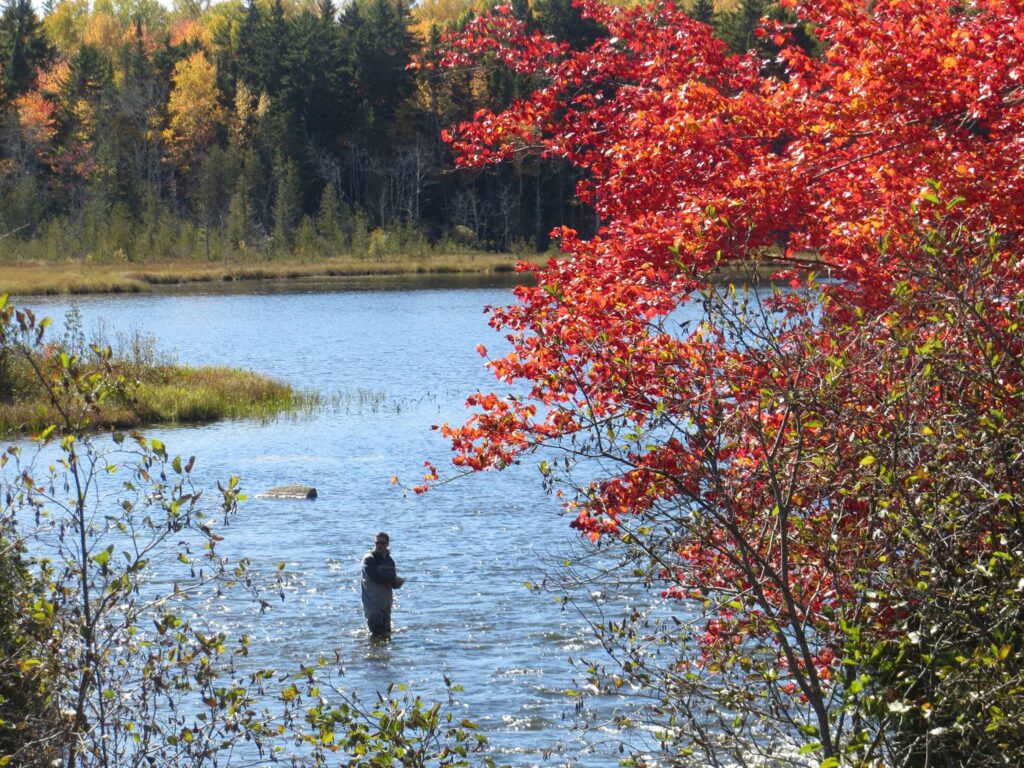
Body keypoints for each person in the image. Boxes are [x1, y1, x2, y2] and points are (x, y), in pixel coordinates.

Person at [360, 531, 404, 637]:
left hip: (386, 604)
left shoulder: (390, 561)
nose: (379, 545)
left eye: (382, 543)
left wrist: (398, 583)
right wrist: (393, 580)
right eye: (377, 543)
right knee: (377, 633)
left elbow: (392, 584)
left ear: (387, 544)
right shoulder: (369, 559)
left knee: (387, 634)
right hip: (372, 603)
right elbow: (375, 576)